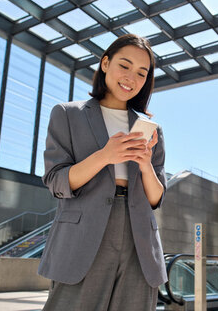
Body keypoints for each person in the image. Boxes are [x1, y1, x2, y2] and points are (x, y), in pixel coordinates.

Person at [38, 34, 167, 311]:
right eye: (125, 65)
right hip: (84, 234)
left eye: (141, 73)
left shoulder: (151, 129)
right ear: (105, 63)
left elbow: (156, 198)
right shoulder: (67, 114)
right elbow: (56, 181)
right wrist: (104, 156)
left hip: (139, 236)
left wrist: (145, 165)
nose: (131, 77)